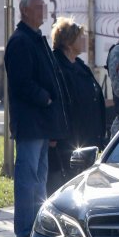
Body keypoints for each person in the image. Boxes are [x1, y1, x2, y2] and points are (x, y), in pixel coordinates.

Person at [4, 0, 69, 237]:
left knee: (39, 177)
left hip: (42, 123)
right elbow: (21, 82)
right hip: (31, 121)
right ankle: (24, 227)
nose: (44, 10)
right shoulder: (21, 41)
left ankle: (35, 225)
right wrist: (46, 98)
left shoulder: (35, 39)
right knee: (28, 176)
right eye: (39, 6)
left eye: (44, 6)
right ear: (25, 10)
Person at [47, 17, 106, 195]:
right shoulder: (56, 65)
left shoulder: (80, 65)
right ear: (68, 41)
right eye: (80, 37)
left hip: (87, 138)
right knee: (64, 186)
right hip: (67, 141)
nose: (85, 40)